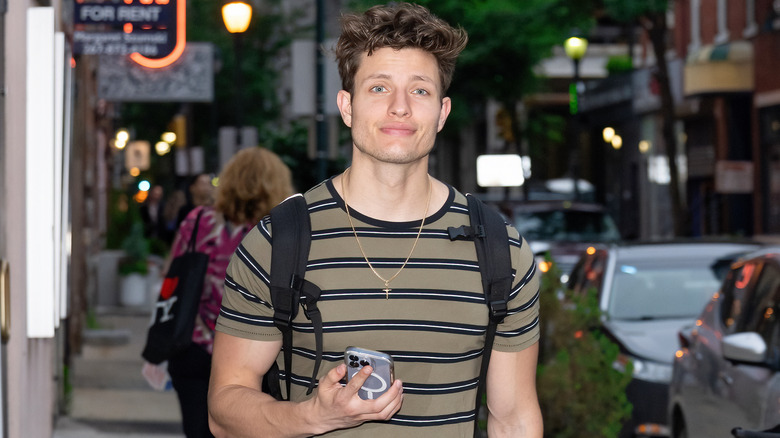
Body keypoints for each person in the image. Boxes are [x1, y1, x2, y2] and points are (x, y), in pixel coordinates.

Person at [209, 3, 542, 437]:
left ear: (441, 113)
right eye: (379, 88)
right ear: (347, 106)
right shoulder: (279, 242)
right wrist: (313, 416)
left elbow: (513, 419)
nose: (400, 107)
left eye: (419, 90)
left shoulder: (500, 250)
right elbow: (223, 411)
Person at [165, 147, 294, 438]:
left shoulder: (198, 221)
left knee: (199, 429)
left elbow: (172, 276)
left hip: (195, 345)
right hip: (259, 353)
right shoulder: (279, 232)